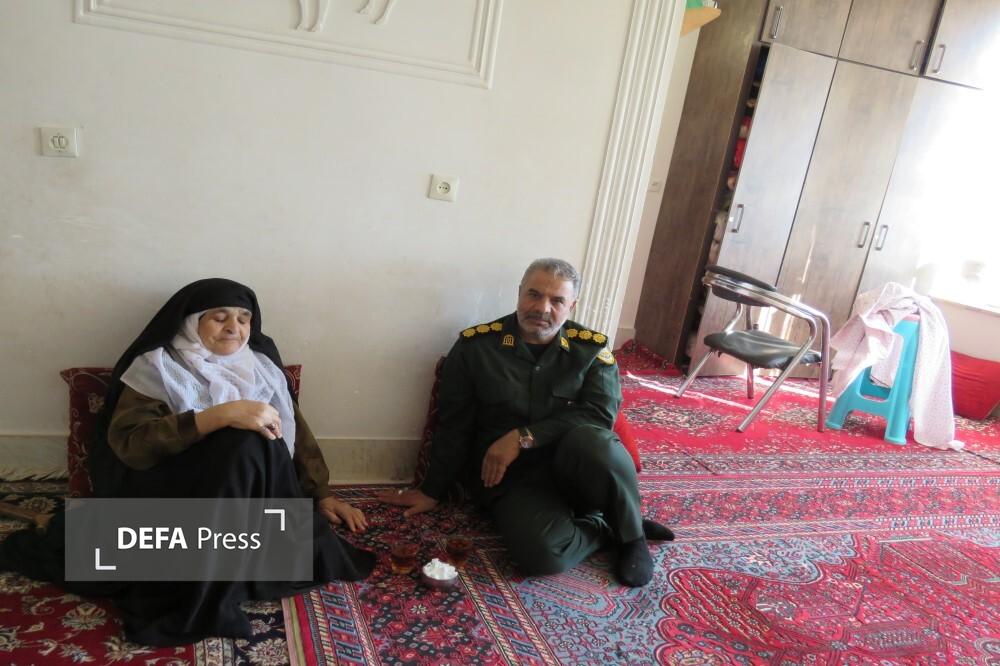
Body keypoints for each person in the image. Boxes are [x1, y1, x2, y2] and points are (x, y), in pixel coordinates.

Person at [0, 278, 374, 646]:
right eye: (220, 317)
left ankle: (234, 562)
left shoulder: (262, 368)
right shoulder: (158, 366)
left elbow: (297, 436)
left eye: (244, 318)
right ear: (191, 322)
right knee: (241, 443)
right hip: (182, 497)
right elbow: (133, 444)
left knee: (255, 441)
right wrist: (216, 416)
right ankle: (210, 583)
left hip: (259, 502)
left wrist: (322, 494)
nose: (234, 328)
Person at [380, 259, 673, 587]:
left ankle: (632, 538)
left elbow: (600, 415)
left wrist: (523, 436)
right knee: (541, 556)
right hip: (515, 480)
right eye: (534, 294)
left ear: (572, 306)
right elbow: (453, 425)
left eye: (557, 300)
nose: (542, 308)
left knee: (596, 441)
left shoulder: (590, 350)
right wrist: (432, 489)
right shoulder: (476, 348)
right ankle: (609, 527)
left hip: (578, 466)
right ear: (519, 293)